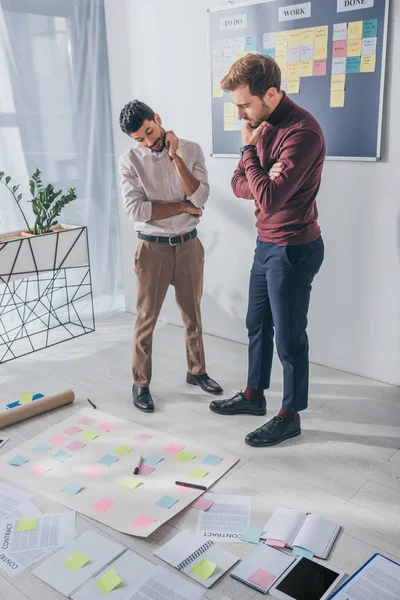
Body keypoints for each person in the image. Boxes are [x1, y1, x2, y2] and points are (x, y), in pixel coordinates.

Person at [209, 54, 325, 447]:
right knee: (256, 323)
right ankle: (253, 396)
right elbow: (241, 185)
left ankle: (289, 415)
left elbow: (270, 197)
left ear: (270, 94)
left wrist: (249, 155)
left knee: (289, 338)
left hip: (293, 248)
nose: (239, 114)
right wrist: (259, 171)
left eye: (244, 104)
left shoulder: (302, 133)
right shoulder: (260, 127)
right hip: (266, 243)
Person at [119, 100, 223, 412]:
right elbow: (136, 210)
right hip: (152, 249)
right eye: (140, 138)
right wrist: (181, 206)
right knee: (146, 318)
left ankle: (197, 371)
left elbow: (201, 196)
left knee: (193, 314)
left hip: (189, 245)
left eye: (150, 132)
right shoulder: (130, 161)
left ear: (158, 119)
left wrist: (176, 158)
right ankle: (140, 383)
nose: (148, 142)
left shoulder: (190, 150)